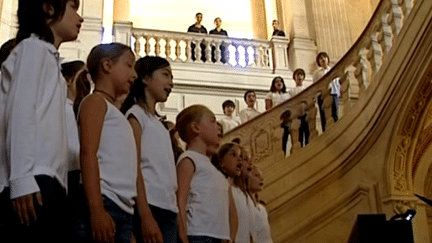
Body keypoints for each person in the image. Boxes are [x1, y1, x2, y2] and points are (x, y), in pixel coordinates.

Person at [0, 1, 83, 242]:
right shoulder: (33, 49)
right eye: (72, 7)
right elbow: (21, 112)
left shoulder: (46, 56)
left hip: (47, 179)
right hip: (33, 178)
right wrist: (22, 179)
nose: (80, 18)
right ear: (48, 8)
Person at [74, 43, 139, 243]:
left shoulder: (115, 112)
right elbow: (88, 153)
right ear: (107, 65)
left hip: (123, 208)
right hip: (104, 201)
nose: (134, 74)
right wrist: (96, 209)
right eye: (129, 65)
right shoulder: (95, 102)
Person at [121, 56, 178, 243]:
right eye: (165, 75)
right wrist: (145, 215)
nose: (171, 83)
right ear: (145, 78)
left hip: (168, 208)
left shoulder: (160, 125)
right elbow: (133, 166)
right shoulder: (136, 115)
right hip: (150, 205)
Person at [176, 105, 237, 243]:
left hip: (220, 237)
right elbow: (180, 199)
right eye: (212, 121)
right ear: (196, 127)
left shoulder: (215, 170)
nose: (218, 127)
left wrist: (230, 236)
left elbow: (230, 210)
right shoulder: (189, 159)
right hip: (198, 234)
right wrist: (183, 234)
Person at [213, 143, 255, 243]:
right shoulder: (222, 187)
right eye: (233, 155)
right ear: (221, 162)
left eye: (241, 157)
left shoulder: (240, 192)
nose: (239, 159)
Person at [313, 52, 340, 132]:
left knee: (334, 114)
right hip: (322, 95)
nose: (323, 59)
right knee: (324, 116)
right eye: (320, 58)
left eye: (324, 57)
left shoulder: (334, 70)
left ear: (328, 59)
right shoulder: (317, 73)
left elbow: (337, 82)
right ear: (318, 61)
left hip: (333, 93)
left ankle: (336, 131)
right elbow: (315, 86)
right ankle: (325, 132)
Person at [249, 166, 273, 243]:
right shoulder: (245, 207)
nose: (261, 178)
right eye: (256, 175)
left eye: (261, 176)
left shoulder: (262, 208)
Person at [288, 69, 309, 147]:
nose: (299, 76)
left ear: (303, 77)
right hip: (296, 116)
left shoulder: (307, 89)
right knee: (298, 137)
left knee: (308, 136)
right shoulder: (291, 91)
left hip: (306, 114)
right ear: (294, 78)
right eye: (297, 75)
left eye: (301, 75)